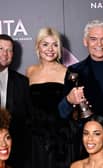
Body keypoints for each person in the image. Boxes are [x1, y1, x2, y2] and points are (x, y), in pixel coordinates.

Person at [58, 20, 103, 157]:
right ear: (85, 41)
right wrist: (69, 100)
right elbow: (62, 113)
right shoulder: (75, 71)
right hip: (89, 146)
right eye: (93, 39)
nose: (99, 44)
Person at [26, 27, 76, 168]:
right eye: (45, 44)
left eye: (55, 45)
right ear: (38, 47)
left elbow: (70, 109)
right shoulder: (30, 71)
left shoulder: (68, 72)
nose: (50, 49)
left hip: (60, 137)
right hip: (35, 137)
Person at [0, 34, 32, 168]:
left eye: (9, 50)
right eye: (0, 48)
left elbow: (28, 118)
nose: (5, 54)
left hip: (14, 154)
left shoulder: (22, 82)